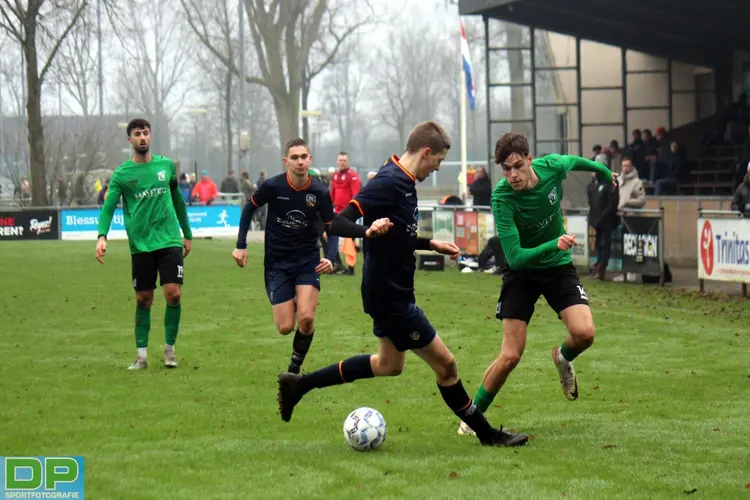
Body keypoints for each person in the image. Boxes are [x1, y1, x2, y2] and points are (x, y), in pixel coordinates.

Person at [276, 121, 529, 448]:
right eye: (437, 162)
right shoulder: (389, 181)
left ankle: (300, 385)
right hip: (390, 295)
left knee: (388, 365)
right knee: (447, 366)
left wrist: (429, 244)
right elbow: (338, 221)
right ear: (426, 152)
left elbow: (397, 235)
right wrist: (365, 232)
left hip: (388, 290)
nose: (436, 169)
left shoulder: (401, 177)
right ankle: (487, 434)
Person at [458, 132, 615, 436]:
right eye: (506, 169)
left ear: (530, 159)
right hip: (522, 273)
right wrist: (552, 244)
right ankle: (472, 418)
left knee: (584, 333)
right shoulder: (502, 197)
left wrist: (606, 173)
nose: (513, 175)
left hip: (557, 268)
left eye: (518, 166)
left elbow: (577, 161)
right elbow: (515, 258)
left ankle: (562, 357)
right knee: (510, 356)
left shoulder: (552, 166)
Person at [95, 118, 193, 370]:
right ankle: (141, 356)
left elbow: (178, 201)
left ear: (150, 136)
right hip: (141, 245)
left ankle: (169, 352)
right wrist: (102, 236)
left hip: (169, 239)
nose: (142, 137)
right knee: (144, 299)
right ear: (130, 140)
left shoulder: (166, 167)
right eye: (137, 134)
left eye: (145, 133)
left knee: (174, 293)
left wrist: (187, 233)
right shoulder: (122, 175)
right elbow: (108, 206)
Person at [232, 138, 334, 374]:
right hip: (277, 264)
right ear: (286, 161)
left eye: (304, 156)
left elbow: (331, 226)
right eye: (294, 157)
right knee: (286, 327)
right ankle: (298, 299)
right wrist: (241, 245)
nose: (300, 161)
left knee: (306, 318)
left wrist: (329, 255)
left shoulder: (319, 191)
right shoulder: (273, 186)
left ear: (310, 159)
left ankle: (294, 368)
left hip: (307, 261)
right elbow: (249, 209)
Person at [328, 151, 360, 274]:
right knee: (329, 235)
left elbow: (356, 195)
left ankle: (350, 268)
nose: (342, 163)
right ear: (337, 161)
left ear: (348, 162)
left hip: (348, 213)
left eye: (344, 161)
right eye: (340, 160)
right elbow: (332, 194)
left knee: (349, 240)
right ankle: (338, 263)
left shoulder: (353, 176)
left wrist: (352, 212)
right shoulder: (335, 175)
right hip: (336, 211)